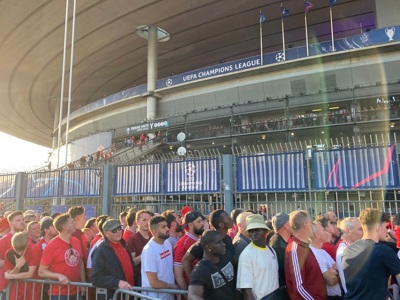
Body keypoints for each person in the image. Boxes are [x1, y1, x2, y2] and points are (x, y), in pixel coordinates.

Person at [342, 208, 400, 299]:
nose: (387, 231)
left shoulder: (348, 250)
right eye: (386, 227)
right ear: (377, 227)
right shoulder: (382, 250)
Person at [38, 213, 86, 300]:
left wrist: (83, 283)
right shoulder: (52, 246)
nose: (75, 223)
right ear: (65, 227)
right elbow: (41, 271)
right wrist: (58, 276)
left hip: (76, 291)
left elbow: (80, 263)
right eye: (72, 222)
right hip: (59, 293)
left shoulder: (76, 241)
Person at [285, 210, 326, 300]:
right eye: (310, 223)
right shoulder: (296, 249)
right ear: (306, 225)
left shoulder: (302, 246)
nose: (312, 226)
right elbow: (299, 287)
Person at [237, 214, 279, 300]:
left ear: (265, 231)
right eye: (251, 231)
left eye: (257, 230)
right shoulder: (246, 255)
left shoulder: (271, 250)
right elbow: (246, 289)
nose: (254, 233)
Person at [91, 219, 135, 300]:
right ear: (106, 232)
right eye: (114, 230)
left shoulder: (123, 243)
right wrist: (117, 282)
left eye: (119, 228)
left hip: (131, 294)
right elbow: (96, 278)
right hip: (114, 295)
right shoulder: (100, 250)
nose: (118, 232)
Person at [188, 230, 236, 300]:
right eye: (218, 242)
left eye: (222, 241)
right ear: (208, 247)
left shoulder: (227, 256)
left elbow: (240, 265)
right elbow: (193, 295)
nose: (223, 244)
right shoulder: (200, 270)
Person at [141, 216, 177, 300]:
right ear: (155, 231)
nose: (168, 228)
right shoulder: (149, 251)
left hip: (168, 295)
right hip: (154, 297)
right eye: (163, 227)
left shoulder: (167, 243)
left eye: (167, 226)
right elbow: (154, 282)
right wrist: (172, 287)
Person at [173, 211, 205, 292]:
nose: (202, 224)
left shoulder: (201, 238)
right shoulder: (182, 244)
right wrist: (187, 295)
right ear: (190, 225)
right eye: (198, 222)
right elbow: (178, 275)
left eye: (202, 221)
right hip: (192, 290)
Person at [310, 222, 342, 300]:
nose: (326, 232)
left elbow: (339, 272)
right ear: (317, 235)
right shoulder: (313, 253)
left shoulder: (323, 251)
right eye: (323, 230)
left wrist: (333, 270)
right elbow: (331, 281)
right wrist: (336, 270)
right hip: (329, 297)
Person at [4, 232, 40, 300]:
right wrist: (17, 267)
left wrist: (9, 275)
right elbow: (10, 276)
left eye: (22, 250)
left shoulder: (34, 249)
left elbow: (29, 274)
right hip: (17, 289)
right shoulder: (9, 253)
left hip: (33, 288)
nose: (20, 253)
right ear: (12, 245)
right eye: (17, 250)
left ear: (27, 245)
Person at [0, 211, 26, 295]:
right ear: (10, 224)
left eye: (23, 219)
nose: (22, 222)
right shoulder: (3, 241)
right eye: (18, 220)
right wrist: (13, 262)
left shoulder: (28, 239)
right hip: (7, 286)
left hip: (25, 286)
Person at [335, 217, 363, 293]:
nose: (363, 232)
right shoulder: (344, 251)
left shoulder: (353, 247)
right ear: (347, 230)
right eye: (360, 229)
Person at [268, 212, 292, 287]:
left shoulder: (278, 240)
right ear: (285, 226)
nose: (293, 224)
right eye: (291, 222)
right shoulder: (278, 245)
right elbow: (283, 271)